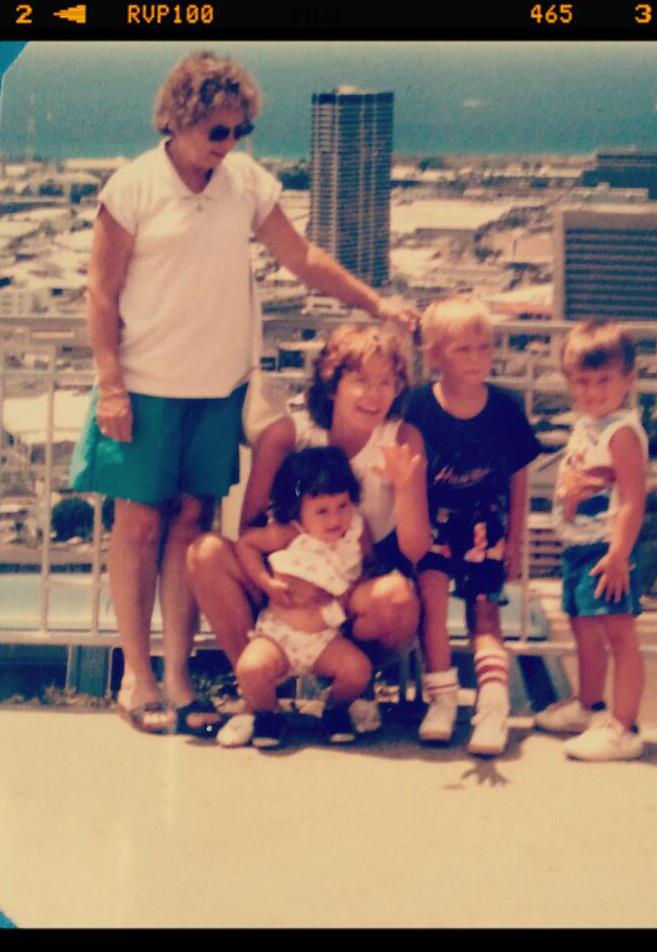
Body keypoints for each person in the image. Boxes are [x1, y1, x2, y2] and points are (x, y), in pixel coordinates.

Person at [69, 50, 416, 737]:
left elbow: (302, 258)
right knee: (136, 525)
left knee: (190, 525)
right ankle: (136, 675)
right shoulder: (132, 187)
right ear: (177, 120)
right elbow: (100, 292)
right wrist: (110, 384)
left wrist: (375, 301)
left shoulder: (244, 183)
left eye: (238, 131)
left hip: (217, 386)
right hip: (143, 385)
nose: (227, 145)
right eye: (216, 132)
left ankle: (176, 677)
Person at [188, 322, 429, 732]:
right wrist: (282, 582)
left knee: (398, 598)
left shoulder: (402, 437)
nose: (374, 394)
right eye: (360, 380)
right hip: (285, 587)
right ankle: (258, 695)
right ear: (332, 385)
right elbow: (251, 527)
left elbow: (415, 551)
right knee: (205, 553)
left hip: (350, 596)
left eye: (386, 382)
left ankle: (352, 691)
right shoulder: (289, 435)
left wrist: (405, 487)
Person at [404, 296, 543, 755]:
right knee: (433, 611)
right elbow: (413, 476)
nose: (478, 359)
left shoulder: (504, 406)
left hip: (487, 525)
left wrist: (516, 541)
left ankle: (492, 707)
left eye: (484, 347)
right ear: (435, 354)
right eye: (464, 349)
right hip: (435, 525)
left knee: (486, 615)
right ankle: (442, 701)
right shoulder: (420, 407)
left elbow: (519, 476)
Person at [534, 319, 648, 761]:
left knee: (619, 634)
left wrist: (619, 554)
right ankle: (589, 706)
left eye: (604, 381)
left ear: (628, 380)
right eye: (582, 381)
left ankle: (624, 727)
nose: (593, 390)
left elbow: (633, 501)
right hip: (579, 548)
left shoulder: (621, 432)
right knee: (583, 628)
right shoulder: (589, 423)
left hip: (605, 551)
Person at [219, 446, 374, 749]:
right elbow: (247, 544)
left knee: (358, 671)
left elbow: (369, 564)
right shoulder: (291, 533)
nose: (336, 519)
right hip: (279, 634)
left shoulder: (357, 529)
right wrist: (266, 583)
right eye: (322, 511)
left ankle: (334, 710)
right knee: (251, 668)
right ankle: (267, 713)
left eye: (342, 506)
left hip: (326, 637)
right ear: (299, 510)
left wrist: (348, 594)